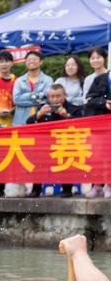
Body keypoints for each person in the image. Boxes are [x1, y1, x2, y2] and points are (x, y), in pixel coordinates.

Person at [28, 83, 80, 198]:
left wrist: (67, 115)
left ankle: (67, 189)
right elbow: (28, 123)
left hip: (66, 144)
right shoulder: (43, 107)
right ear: (48, 97)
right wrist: (38, 114)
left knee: (68, 157)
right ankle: (36, 189)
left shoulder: (73, 108)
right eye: (52, 96)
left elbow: (81, 124)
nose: (55, 99)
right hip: (46, 144)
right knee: (38, 157)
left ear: (65, 95)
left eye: (58, 96)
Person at [82, 48, 110, 198]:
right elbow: (88, 99)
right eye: (93, 58)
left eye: (98, 57)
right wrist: (104, 102)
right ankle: (96, 184)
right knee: (97, 154)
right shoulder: (96, 79)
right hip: (98, 122)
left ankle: (109, 185)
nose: (96, 60)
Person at [12, 50, 52, 126]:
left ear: (41, 62)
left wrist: (25, 96)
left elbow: (48, 99)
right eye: (29, 60)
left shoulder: (48, 80)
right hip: (21, 122)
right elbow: (16, 100)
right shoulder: (19, 81)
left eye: (34, 59)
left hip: (42, 121)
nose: (31, 61)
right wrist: (38, 96)